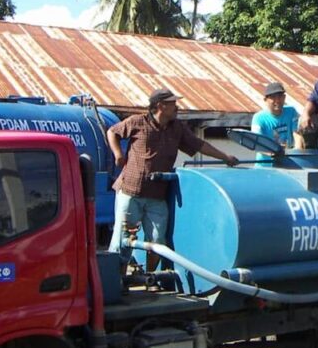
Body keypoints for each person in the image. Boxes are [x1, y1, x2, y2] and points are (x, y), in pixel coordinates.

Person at [107, 88, 239, 273]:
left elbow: (199, 144)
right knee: (123, 240)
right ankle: (117, 280)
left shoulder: (177, 128)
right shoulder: (138, 121)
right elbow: (112, 132)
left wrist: (225, 156)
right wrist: (118, 154)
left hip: (157, 195)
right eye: (172, 103)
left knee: (157, 240)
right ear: (160, 105)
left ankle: (150, 277)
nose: (176, 107)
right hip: (131, 191)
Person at [251, 82, 302, 166]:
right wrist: (272, 153)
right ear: (265, 100)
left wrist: (298, 152)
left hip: (288, 164)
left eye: (280, 96)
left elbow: (297, 134)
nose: (277, 100)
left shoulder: (291, 111)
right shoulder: (258, 118)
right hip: (265, 166)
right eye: (273, 97)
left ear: (284, 97)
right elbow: (256, 143)